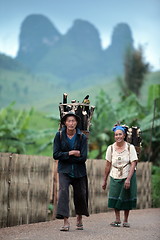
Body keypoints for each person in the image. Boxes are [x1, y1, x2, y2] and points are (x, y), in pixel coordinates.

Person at [53, 111, 89, 231]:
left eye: (73, 121)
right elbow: (56, 154)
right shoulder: (59, 136)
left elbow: (83, 157)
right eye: (68, 121)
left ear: (77, 123)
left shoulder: (82, 137)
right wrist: (71, 153)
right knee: (63, 192)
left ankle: (79, 217)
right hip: (64, 170)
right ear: (64, 123)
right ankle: (66, 221)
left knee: (81, 194)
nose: (71, 123)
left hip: (79, 171)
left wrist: (66, 157)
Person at [102, 125, 138, 228]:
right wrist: (104, 180)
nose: (118, 136)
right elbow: (107, 164)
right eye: (116, 135)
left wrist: (128, 179)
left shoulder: (130, 147)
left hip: (127, 174)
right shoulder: (111, 148)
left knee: (126, 197)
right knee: (115, 196)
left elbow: (133, 163)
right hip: (114, 175)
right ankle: (117, 219)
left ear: (124, 135)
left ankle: (126, 220)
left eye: (120, 134)